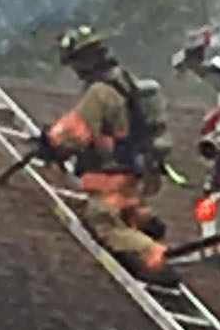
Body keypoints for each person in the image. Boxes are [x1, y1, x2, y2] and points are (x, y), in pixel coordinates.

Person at [40, 26, 175, 283]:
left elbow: (76, 130)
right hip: (134, 172)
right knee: (126, 211)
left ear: (85, 58)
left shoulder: (100, 91)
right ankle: (143, 222)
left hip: (110, 171)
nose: (76, 69)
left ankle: (154, 258)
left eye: (76, 62)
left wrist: (49, 139)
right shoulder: (125, 80)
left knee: (104, 223)